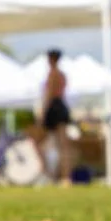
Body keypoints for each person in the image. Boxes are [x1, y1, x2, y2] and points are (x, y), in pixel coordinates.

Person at [34, 48, 73, 186]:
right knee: (62, 146)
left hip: (54, 108)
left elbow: (49, 95)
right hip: (61, 107)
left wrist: (43, 114)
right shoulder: (62, 75)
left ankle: (52, 175)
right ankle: (63, 177)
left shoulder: (53, 74)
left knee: (40, 143)